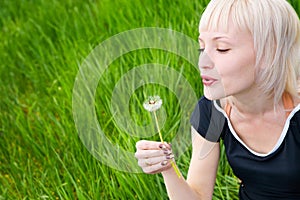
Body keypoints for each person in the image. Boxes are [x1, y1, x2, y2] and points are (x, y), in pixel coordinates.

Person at [135, 0, 300, 199]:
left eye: (222, 49)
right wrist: (167, 168)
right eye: (201, 48)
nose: (202, 62)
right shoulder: (212, 113)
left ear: (269, 53)